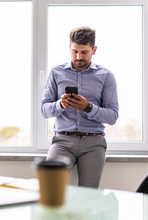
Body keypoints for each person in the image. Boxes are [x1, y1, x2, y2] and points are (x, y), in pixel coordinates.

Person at [41, 26, 119, 188]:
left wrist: (88, 107)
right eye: (75, 51)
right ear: (69, 48)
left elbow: (112, 116)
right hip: (62, 141)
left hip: (94, 142)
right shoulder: (56, 73)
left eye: (84, 52)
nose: (79, 57)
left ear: (94, 50)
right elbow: (44, 110)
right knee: (50, 186)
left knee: (89, 195)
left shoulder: (106, 76)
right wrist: (60, 104)